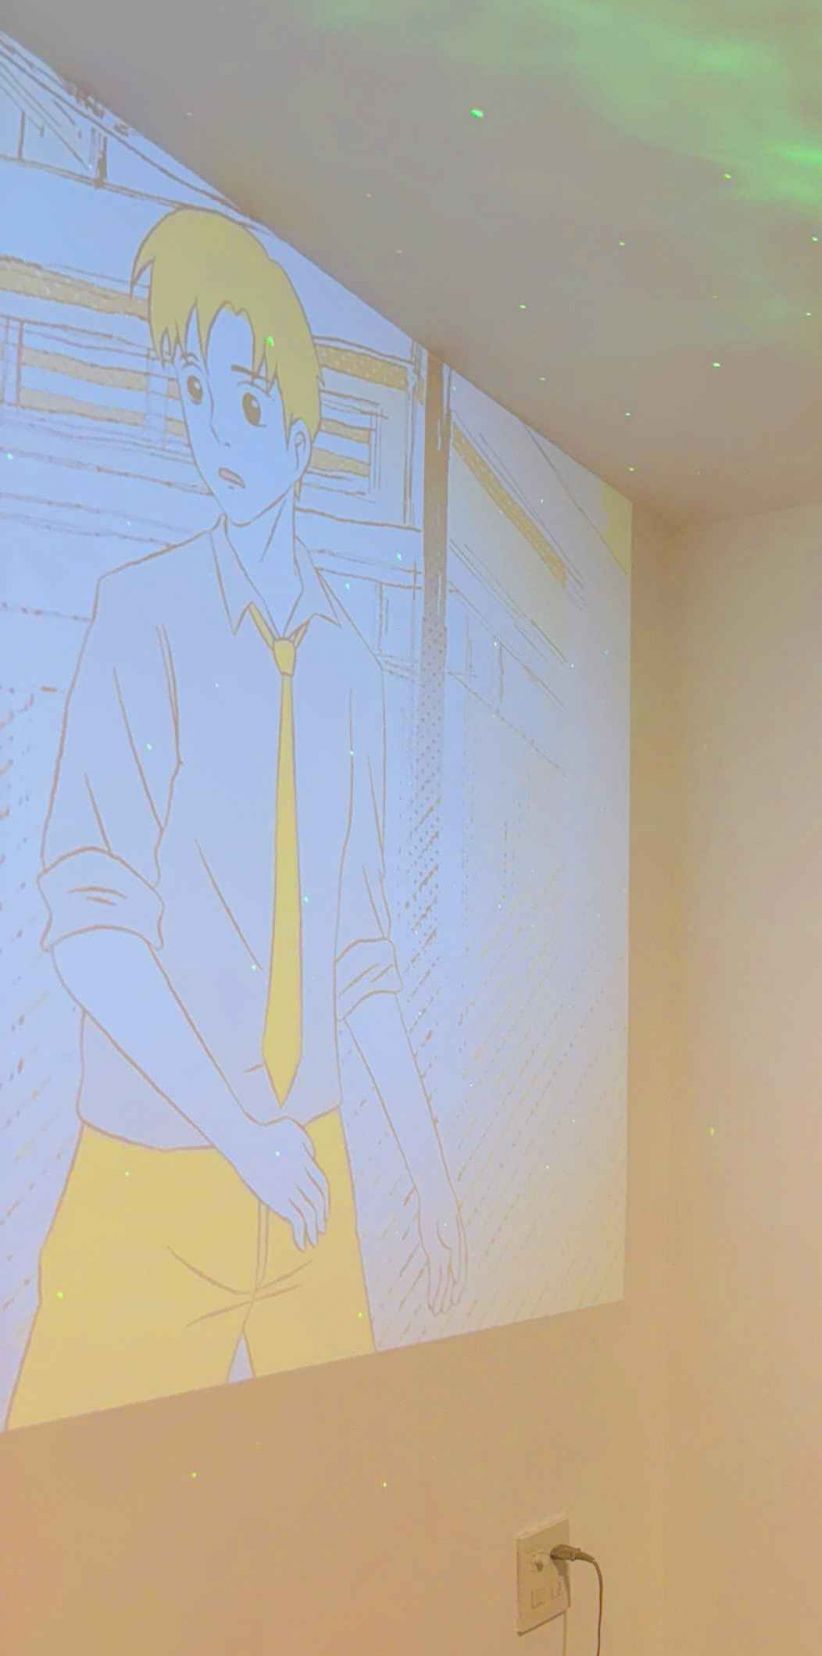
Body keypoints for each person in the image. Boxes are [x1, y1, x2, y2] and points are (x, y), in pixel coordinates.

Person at [5, 206, 464, 1430]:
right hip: (155, 1179)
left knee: (353, 1488)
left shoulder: (350, 663)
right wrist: (241, 1132)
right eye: (198, 394)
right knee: (68, 1508)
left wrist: (428, 1175)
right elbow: (90, 923)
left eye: (248, 402)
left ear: (302, 432)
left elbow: (361, 954)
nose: (218, 433)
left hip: (310, 1178)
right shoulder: (139, 615)